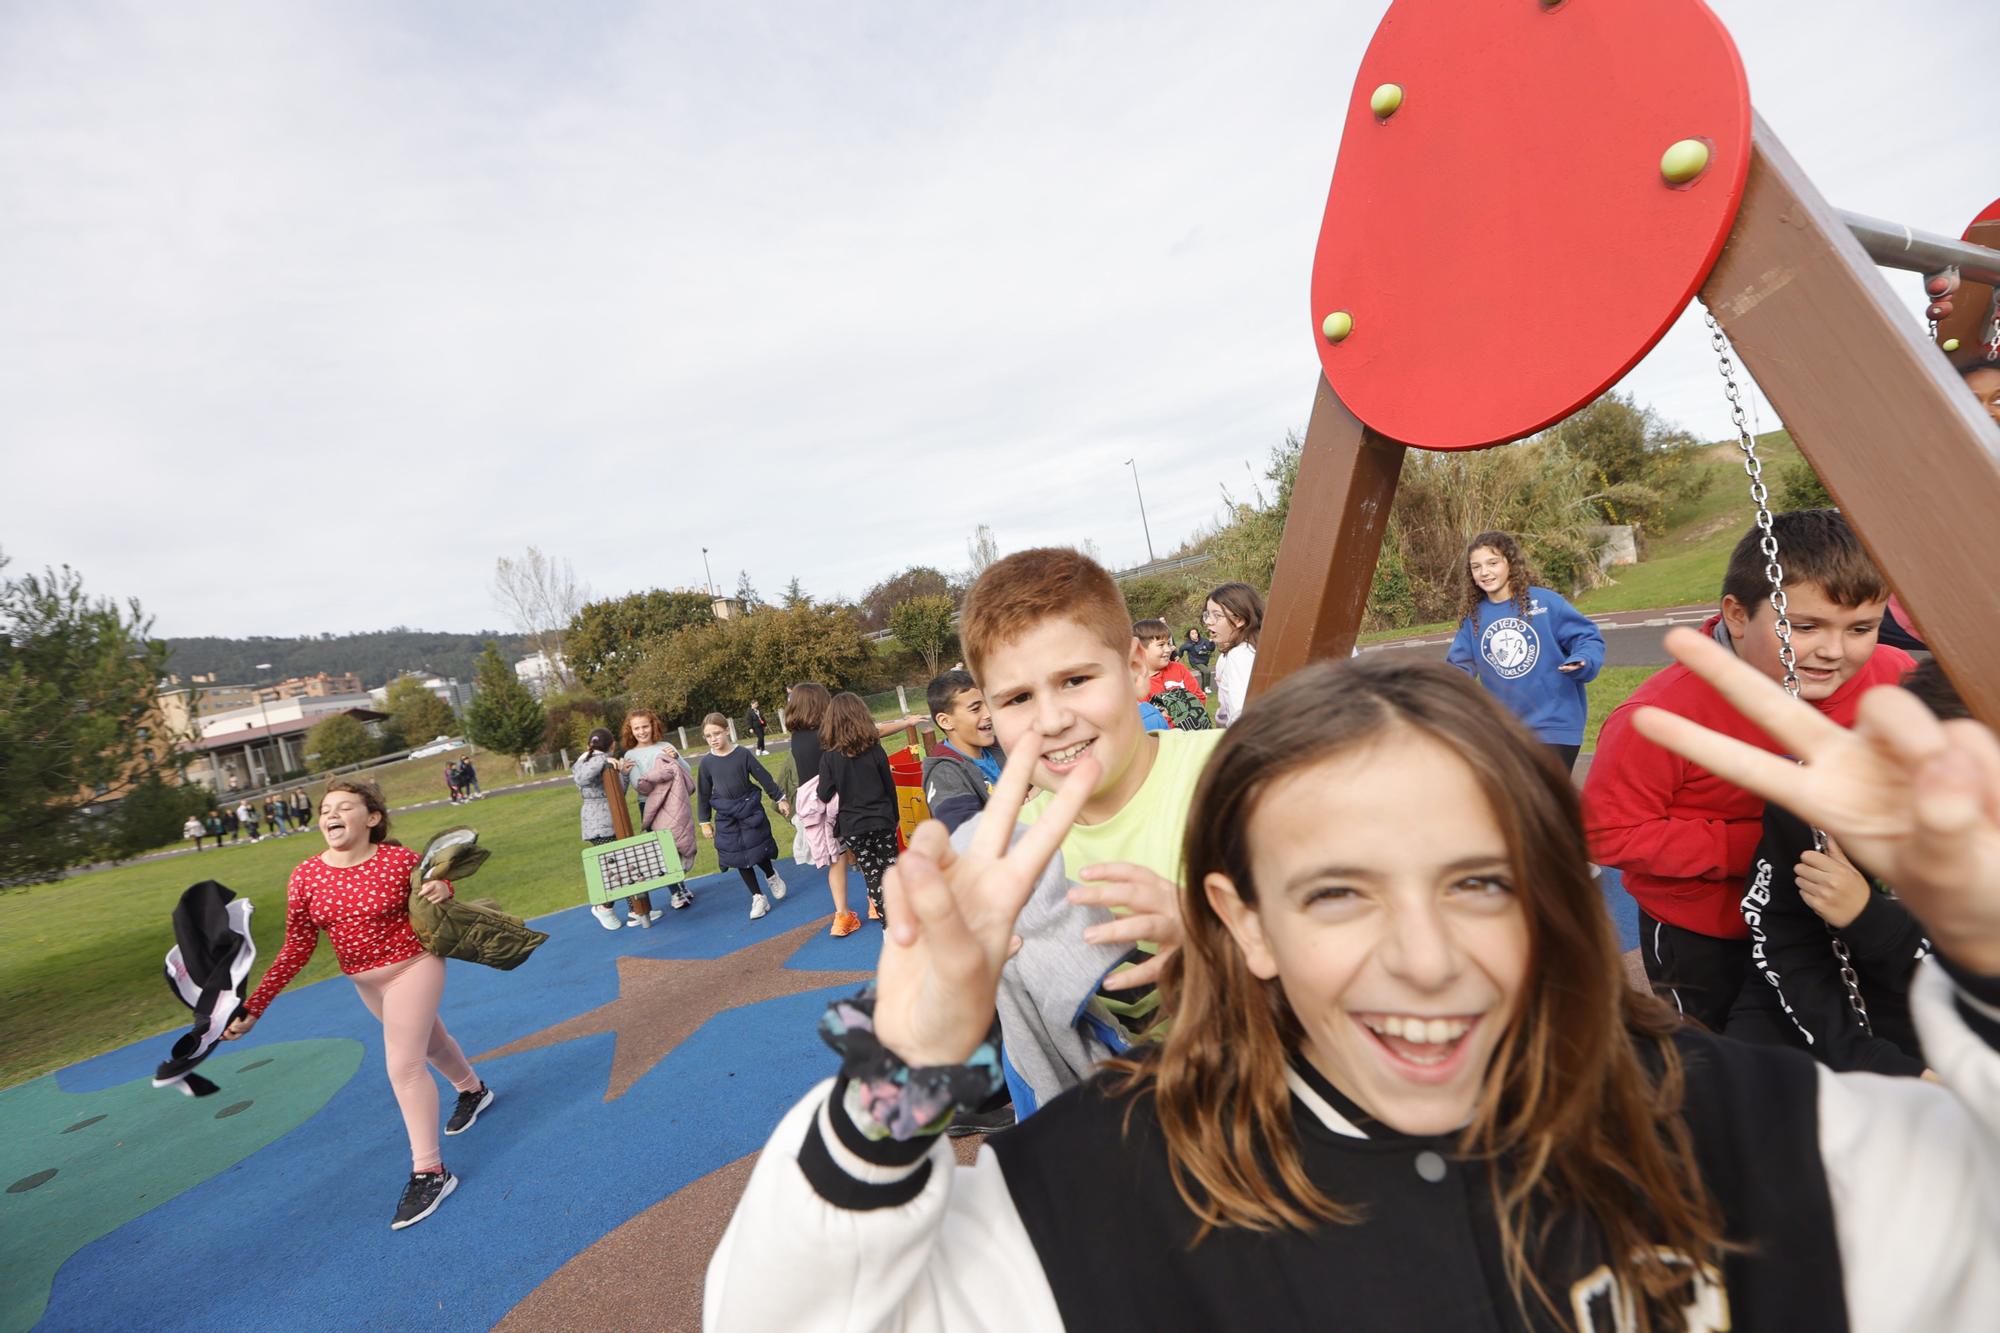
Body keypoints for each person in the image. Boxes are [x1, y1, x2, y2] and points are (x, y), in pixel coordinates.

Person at [706, 642, 2000, 1331]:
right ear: (1245, 923)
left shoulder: (1760, 1139)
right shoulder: (1105, 1196)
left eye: (1481, 883)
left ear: (1552, 898)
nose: (1423, 958)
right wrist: (907, 1054)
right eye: (1337, 894)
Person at [1584, 509, 1915, 1030]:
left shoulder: (1897, 678)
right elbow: (1607, 831)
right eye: (1804, 627)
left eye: (1861, 629)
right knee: (1722, 1067)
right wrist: (1771, 848)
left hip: (1843, 917)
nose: (1832, 651)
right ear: (1737, 616)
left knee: (1847, 1051)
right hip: (1712, 934)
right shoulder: (1658, 719)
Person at [955, 548, 1223, 1115]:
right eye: (1018, 698)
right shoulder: (1006, 859)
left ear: (1133, 668)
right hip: (1126, 1152)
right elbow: (1023, 1073)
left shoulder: (1237, 779)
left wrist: (1220, 937)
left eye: (1075, 680)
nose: (1051, 720)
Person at [225, 779, 492, 1232]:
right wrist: (256, 1005)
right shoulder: (306, 875)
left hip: (414, 965)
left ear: (371, 818)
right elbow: (296, 948)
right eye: (325, 808)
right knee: (429, 1043)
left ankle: (430, 1172)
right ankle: (473, 1090)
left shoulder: (398, 860)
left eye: (344, 806)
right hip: (366, 983)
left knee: (403, 1066)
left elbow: (435, 888)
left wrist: (444, 888)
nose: (330, 813)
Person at [1725, 658, 1969, 1075]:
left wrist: (1868, 917)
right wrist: (1868, 1057)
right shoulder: (1819, 806)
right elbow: (1785, 943)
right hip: (1817, 1012)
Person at [1445, 530, 1606, 773]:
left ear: (1510, 562)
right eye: (1476, 567)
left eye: (1492, 563)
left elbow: (1588, 638)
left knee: (1545, 803)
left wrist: (1583, 660)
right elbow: (1458, 668)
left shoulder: (1546, 603)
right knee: (1518, 807)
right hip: (1506, 731)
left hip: (1555, 726)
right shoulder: (1474, 619)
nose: (1484, 572)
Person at [817, 692, 902, 925]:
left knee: (872, 873)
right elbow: (889, 786)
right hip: (881, 819)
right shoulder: (875, 751)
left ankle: (887, 922)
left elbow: (823, 794)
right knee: (891, 868)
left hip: (853, 825)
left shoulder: (829, 758)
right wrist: (895, 816)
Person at [698, 712, 790, 919]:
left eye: (716, 733)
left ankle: (771, 875)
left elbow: (764, 777)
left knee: (757, 849)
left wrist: (780, 798)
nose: (713, 739)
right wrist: (704, 821)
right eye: (708, 736)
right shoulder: (707, 763)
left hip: (749, 810)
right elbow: (704, 793)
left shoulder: (742, 754)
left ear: (727, 731)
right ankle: (758, 897)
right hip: (726, 815)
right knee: (737, 855)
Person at [787, 682, 859, 937]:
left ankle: (841, 915)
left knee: (835, 859)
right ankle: (876, 902)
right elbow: (862, 737)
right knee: (862, 846)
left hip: (813, 805)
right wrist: (905, 724)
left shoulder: (797, 739)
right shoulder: (826, 735)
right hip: (836, 797)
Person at [618, 709, 696, 914]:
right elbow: (639, 784)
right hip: (651, 805)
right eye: (637, 728)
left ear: (653, 726)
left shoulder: (666, 747)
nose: (642, 731)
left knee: (680, 842)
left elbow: (686, 772)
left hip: (674, 802)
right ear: (631, 731)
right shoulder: (631, 755)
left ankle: (680, 883)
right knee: (662, 849)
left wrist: (676, 758)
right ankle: (675, 892)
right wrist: (663, 775)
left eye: (645, 726)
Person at [574, 728, 654, 930]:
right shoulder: (587, 762)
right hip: (598, 824)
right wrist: (603, 759)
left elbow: (617, 793)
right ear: (613, 745)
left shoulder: (606, 765)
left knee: (624, 864)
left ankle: (634, 909)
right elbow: (581, 778)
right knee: (616, 868)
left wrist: (623, 774)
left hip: (612, 820)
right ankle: (604, 907)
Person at [921, 670, 1003, 833]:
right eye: (975, 709)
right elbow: (964, 835)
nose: (988, 713)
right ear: (945, 721)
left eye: (988, 704)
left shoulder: (1000, 748)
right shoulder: (944, 775)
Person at [1204, 582, 1263, 727]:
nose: (1208, 622)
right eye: (1207, 614)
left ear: (1239, 619)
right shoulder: (1258, 647)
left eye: (1217, 615)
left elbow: (1240, 714)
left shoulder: (1240, 655)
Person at [1176, 626, 1216, 692]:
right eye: (1192, 633)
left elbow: (1211, 649)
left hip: (1204, 661)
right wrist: (1179, 656)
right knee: (1207, 671)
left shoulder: (1204, 640)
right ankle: (1207, 687)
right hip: (1195, 662)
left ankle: (1203, 692)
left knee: (1204, 674)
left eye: (1195, 633)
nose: (1195, 635)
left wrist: (1211, 642)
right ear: (1189, 635)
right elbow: (1181, 648)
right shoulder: (1188, 644)